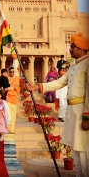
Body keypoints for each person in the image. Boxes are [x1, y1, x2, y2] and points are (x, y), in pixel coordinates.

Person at [26, 32, 89, 177]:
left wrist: (87, 115)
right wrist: (37, 87)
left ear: (80, 48)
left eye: (72, 46)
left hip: (82, 111)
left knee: (84, 148)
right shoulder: (73, 66)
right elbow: (59, 82)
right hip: (72, 112)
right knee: (75, 146)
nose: (70, 49)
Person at [4, 66, 20, 133]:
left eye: (13, 72)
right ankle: (6, 128)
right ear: (9, 72)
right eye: (11, 72)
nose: (12, 73)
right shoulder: (7, 78)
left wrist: (7, 88)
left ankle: (12, 129)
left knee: (13, 115)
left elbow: (15, 87)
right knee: (7, 114)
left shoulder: (16, 78)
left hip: (13, 98)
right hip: (7, 98)